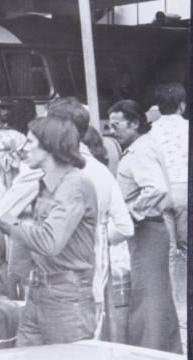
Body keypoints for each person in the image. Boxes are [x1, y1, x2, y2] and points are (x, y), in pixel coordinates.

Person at [0, 116, 98, 346]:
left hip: (66, 296)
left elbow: (50, 241)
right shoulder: (45, 184)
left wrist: (4, 220)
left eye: (31, 142)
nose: (24, 148)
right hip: (40, 289)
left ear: (50, 145)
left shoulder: (75, 185)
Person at [47, 97, 134, 338]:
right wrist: (100, 239)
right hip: (95, 272)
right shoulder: (101, 171)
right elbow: (126, 228)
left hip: (59, 277)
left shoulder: (56, 170)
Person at [108, 100, 181, 353]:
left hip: (146, 230)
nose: (111, 130)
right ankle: (167, 351)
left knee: (147, 299)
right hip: (152, 229)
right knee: (159, 298)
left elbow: (156, 188)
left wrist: (129, 215)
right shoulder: (144, 145)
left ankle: (145, 352)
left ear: (135, 123)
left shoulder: (139, 152)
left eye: (117, 125)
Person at [0, 99, 40, 300]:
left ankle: (6, 293)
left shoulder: (26, 170)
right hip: (16, 218)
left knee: (5, 257)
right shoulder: (27, 164)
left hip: (5, 214)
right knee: (14, 261)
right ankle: (13, 294)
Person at [149, 83, 188, 320]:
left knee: (171, 249)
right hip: (186, 189)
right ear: (182, 106)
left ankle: (176, 303)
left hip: (163, 192)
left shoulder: (151, 132)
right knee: (187, 248)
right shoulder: (188, 127)